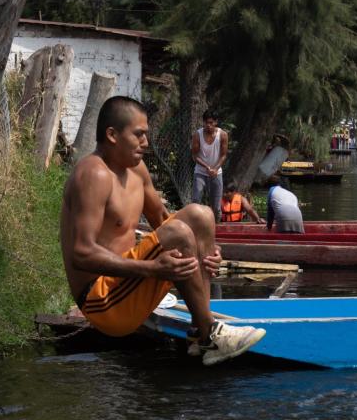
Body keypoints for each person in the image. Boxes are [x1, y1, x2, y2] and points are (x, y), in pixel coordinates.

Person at [61, 96, 265, 366]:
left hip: (130, 285)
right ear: (112, 135)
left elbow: (165, 220)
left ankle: (201, 330)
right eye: (139, 135)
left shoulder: (137, 170)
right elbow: (81, 254)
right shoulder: (94, 175)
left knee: (200, 215)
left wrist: (208, 250)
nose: (146, 143)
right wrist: (153, 269)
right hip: (102, 301)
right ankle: (210, 334)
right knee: (179, 233)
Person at [191, 109, 228, 219]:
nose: (208, 125)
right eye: (206, 122)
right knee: (196, 200)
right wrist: (207, 167)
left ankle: (217, 227)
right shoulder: (198, 135)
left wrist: (215, 169)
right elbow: (194, 156)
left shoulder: (223, 135)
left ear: (216, 122)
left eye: (211, 123)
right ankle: (195, 225)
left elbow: (223, 155)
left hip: (216, 172)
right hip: (200, 172)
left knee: (216, 206)